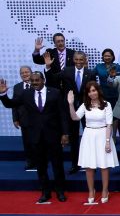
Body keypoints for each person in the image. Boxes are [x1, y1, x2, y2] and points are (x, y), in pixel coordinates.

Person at [0, 72, 69, 203]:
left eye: (37, 80)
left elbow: (62, 114)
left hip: (53, 135)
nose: (34, 82)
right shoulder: (26, 94)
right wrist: (3, 94)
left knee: (57, 165)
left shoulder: (55, 92)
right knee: (41, 166)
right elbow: (10, 104)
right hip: (36, 136)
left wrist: (65, 133)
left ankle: (60, 191)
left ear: (43, 80)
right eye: (32, 81)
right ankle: (45, 192)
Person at [44, 51, 97, 174]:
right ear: (73, 60)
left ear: (85, 60)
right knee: (73, 138)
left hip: (87, 108)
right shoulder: (67, 71)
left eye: (81, 60)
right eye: (76, 60)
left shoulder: (90, 73)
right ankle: (75, 164)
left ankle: (91, 163)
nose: (79, 62)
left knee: (89, 136)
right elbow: (52, 79)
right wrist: (48, 67)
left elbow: (93, 90)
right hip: (70, 108)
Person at [67, 82, 119, 204]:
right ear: (87, 93)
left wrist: (107, 141)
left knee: (104, 166)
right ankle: (91, 191)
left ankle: (105, 190)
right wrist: (70, 104)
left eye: (94, 90)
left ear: (98, 91)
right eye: (90, 91)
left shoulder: (107, 104)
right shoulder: (85, 105)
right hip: (89, 136)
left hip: (103, 135)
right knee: (89, 166)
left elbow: (109, 124)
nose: (92, 93)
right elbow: (75, 118)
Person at [11, 66, 35, 170]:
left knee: (38, 141)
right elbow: (14, 104)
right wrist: (15, 119)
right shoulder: (17, 87)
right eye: (22, 73)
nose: (24, 74)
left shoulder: (38, 84)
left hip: (37, 119)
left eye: (26, 72)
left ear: (31, 72)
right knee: (27, 142)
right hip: (24, 119)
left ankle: (41, 161)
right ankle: (30, 161)